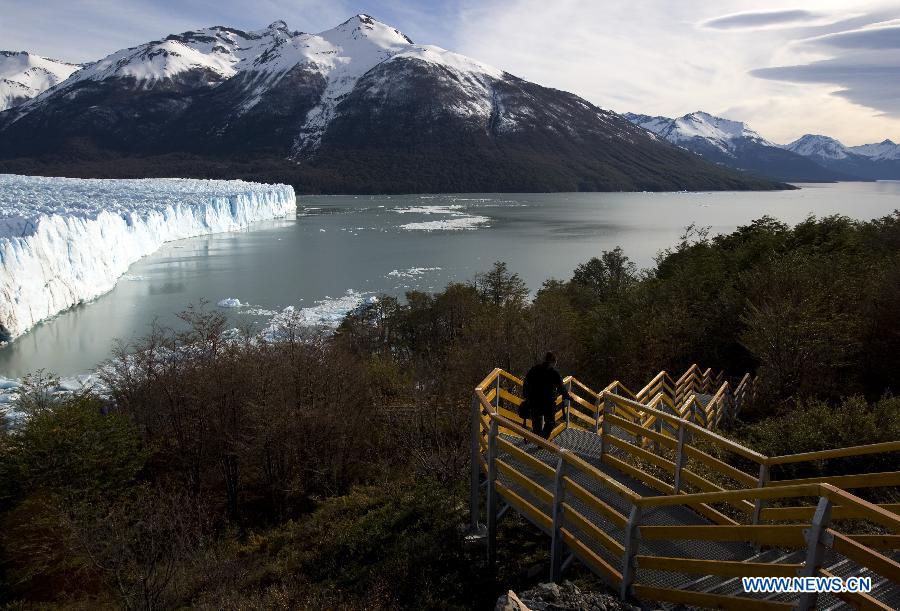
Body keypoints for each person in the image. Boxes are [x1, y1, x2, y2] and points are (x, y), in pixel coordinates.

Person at [523, 352, 571, 439]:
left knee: (536, 422)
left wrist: (526, 396)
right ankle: (543, 441)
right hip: (549, 402)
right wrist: (567, 396)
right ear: (553, 361)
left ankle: (539, 439)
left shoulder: (534, 369)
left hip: (535, 401)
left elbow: (526, 383)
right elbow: (561, 387)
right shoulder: (554, 373)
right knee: (550, 423)